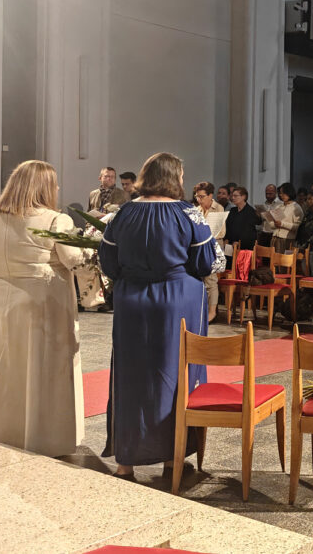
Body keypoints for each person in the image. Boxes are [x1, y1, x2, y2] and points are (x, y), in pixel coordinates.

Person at [100, 152, 225, 478]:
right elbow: (207, 261)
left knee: (131, 374)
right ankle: (173, 457)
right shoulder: (187, 213)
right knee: (176, 374)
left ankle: (125, 462)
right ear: (173, 178)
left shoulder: (123, 213)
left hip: (132, 303)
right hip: (177, 303)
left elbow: (108, 262)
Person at [0, 160, 92, 455]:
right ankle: (44, 437)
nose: (58, 188)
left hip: (1, 303)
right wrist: (91, 246)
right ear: (44, 187)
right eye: (54, 183)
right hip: (43, 304)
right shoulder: (56, 220)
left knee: (7, 366)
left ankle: (5, 432)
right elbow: (74, 260)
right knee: (42, 367)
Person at [193, 182, 225, 322]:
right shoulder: (196, 210)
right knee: (199, 279)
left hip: (213, 247)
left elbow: (221, 232)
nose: (199, 199)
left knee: (211, 280)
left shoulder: (218, 208)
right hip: (200, 248)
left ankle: (212, 313)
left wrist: (205, 235)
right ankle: (201, 311)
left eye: (202, 196)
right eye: (197, 196)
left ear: (210, 195)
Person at [266, 182, 303, 253]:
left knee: (284, 259)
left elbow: (298, 227)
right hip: (275, 238)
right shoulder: (279, 206)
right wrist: (273, 223)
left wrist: (282, 224)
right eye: (280, 193)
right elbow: (272, 225)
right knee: (273, 259)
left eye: (283, 193)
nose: (281, 195)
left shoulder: (296, 207)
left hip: (287, 239)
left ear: (289, 192)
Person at [223, 186, 258, 251]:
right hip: (231, 244)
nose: (233, 198)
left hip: (245, 246)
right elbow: (228, 226)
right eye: (232, 196)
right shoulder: (232, 210)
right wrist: (226, 239)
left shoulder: (250, 211)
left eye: (235, 196)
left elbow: (248, 231)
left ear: (243, 197)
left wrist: (239, 242)